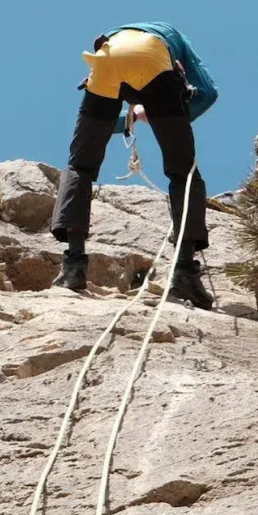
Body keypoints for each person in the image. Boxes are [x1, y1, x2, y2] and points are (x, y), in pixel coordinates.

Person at [49, 22, 217, 309]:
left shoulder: (121, 33)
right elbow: (207, 92)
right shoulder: (173, 37)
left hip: (106, 58)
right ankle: (185, 271)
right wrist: (173, 119)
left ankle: (73, 266)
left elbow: (100, 126)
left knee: (80, 165)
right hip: (152, 58)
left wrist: (134, 119)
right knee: (183, 172)